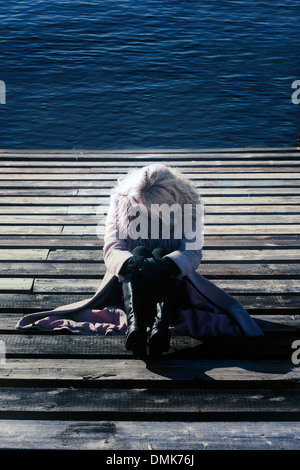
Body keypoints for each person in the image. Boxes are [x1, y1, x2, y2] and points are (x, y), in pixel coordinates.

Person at [16, 163, 263, 358]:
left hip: (173, 280)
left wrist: (167, 265)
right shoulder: (122, 200)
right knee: (140, 253)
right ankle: (142, 327)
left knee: (157, 255)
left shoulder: (188, 205)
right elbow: (112, 247)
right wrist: (133, 265)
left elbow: (192, 253)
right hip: (128, 279)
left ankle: (158, 327)